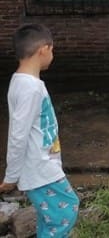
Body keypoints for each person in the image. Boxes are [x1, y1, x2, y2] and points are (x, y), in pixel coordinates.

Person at [0, 24, 79, 236]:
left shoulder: (25, 82)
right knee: (67, 210)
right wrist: (11, 176)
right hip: (39, 168)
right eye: (52, 50)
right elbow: (18, 134)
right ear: (43, 49)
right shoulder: (29, 87)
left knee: (50, 218)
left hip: (43, 164)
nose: (52, 55)